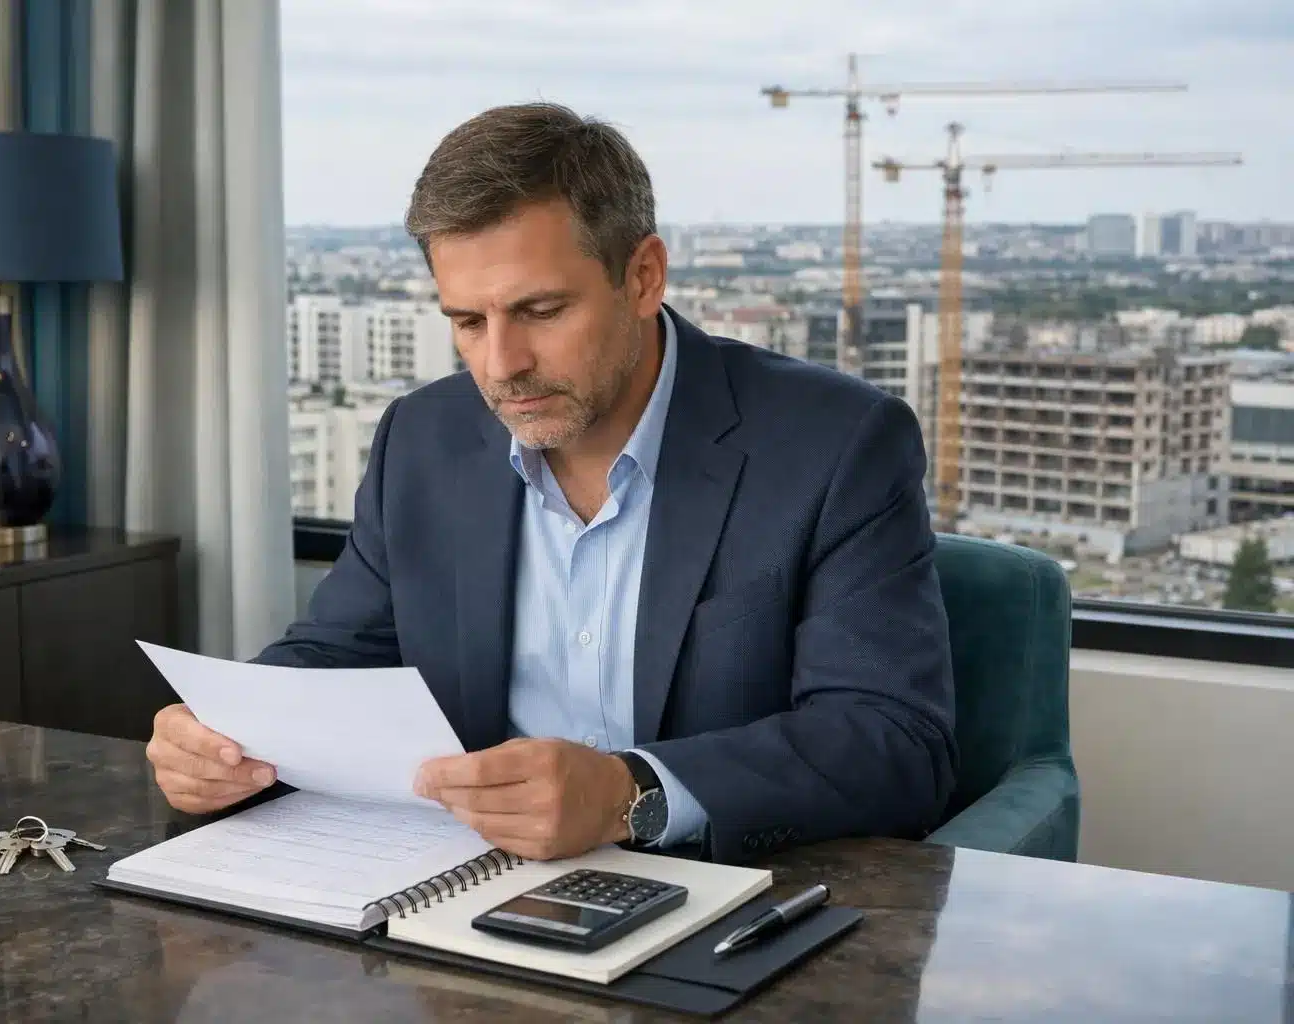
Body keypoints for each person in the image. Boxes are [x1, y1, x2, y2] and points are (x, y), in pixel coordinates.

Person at [146, 102, 957, 866]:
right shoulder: (421, 439)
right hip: (459, 885)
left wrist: (628, 792)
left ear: (643, 276)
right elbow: (339, 650)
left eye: (539, 310)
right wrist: (227, 738)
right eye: (467, 322)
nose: (501, 366)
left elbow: (893, 739)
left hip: (734, 902)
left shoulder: (836, 443)